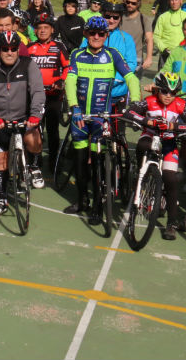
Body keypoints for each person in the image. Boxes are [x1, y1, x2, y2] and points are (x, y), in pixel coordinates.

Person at [64, 15, 141, 222]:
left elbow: (131, 77)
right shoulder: (77, 54)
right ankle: (82, 201)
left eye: (101, 33)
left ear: (106, 35)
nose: (96, 36)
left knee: (99, 163)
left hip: (102, 117)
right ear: (85, 34)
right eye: (92, 33)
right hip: (80, 116)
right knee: (80, 163)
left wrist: (135, 102)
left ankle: (98, 205)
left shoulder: (113, 54)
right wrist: (74, 106)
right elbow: (70, 81)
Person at [0, 31, 46, 215]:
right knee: (1, 160)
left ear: (18, 49)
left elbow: (38, 91)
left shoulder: (28, 65)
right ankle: (1, 199)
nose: (9, 52)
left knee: (34, 140)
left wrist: (34, 115)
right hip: (0, 120)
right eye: (5, 49)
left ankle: (33, 165)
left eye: (13, 48)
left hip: (24, 118)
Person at [125, 72, 186, 241]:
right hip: (149, 137)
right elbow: (129, 113)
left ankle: (171, 224)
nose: (168, 96)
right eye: (164, 91)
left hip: (169, 143)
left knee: (170, 179)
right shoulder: (149, 102)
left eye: (173, 92)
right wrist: (147, 122)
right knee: (143, 145)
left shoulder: (180, 104)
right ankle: (140, 172)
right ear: (158, 89)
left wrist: (173, 126)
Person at [26, 15, 69, 168]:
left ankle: (53, 161)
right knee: (33, 128)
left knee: (52, 130)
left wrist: (61, 81)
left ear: (52, 30)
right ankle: (33, 161)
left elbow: (68, 67)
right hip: (33, 96)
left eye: (46, 27)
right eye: (40, 28)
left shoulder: (59, 47)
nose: (43, 30)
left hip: (53, 96)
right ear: (35, 30)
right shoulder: (29, 47)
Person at [82, 3, 138, 112]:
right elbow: (82, 57)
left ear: (120, 18)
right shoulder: (92, 36)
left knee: (117, 127)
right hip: (92, 92)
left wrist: (115, 79)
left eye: (116, 17)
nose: (111, 20)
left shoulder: (126, 38)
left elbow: (131, 63)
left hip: (117, 92)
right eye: (107, 16)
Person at [118, 0, 153, 75]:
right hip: (119, 56)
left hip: (135, 58)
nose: (130, 5)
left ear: (138, 4)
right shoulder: (119, 17)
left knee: (133, 85)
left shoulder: (143, 19)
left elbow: (149, 39)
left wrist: (149, 57)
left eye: (133, 3)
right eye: (128, 2)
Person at [152, 0, 186, 65]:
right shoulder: (162, 17)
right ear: (169, 1)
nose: (174, 2)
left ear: (181, 1)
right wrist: (163, 49)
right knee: (164, 76)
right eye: (172, 0)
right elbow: (156, 36)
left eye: (176, 0)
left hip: (184, 54)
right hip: (165, 55)